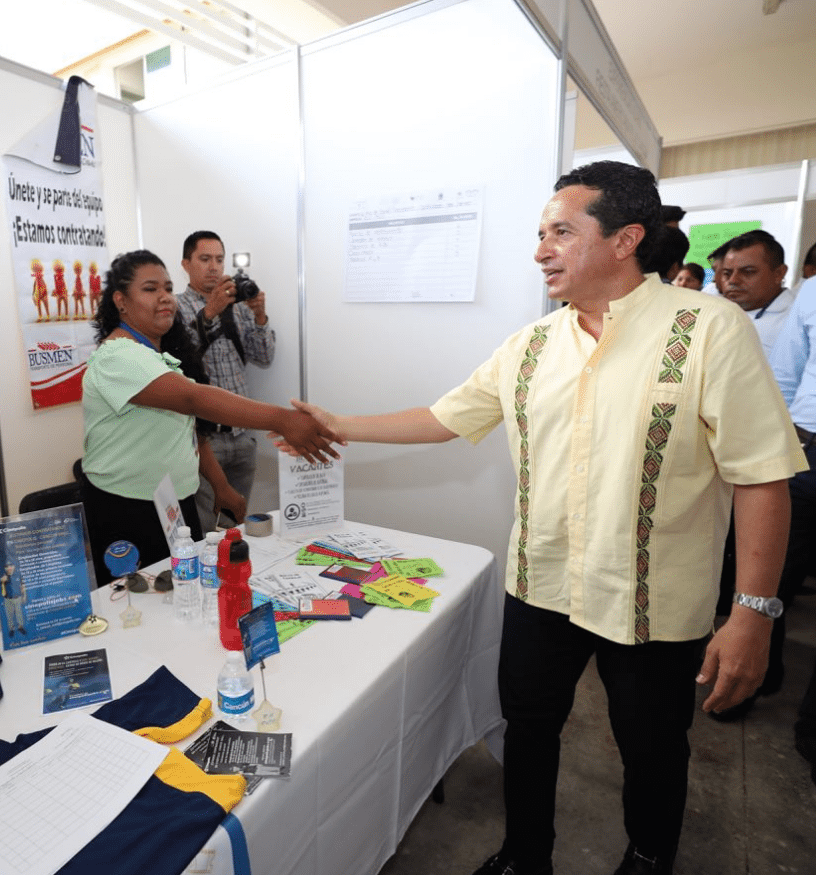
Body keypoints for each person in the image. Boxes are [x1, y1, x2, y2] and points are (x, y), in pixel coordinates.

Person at [279, 162, 804, 875]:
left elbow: (760, 475)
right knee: (528, 729)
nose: (540, 251)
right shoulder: (532, 345)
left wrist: (752, 613)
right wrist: (338, 423)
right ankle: (525, 855)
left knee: (652, 746)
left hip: (653, 598)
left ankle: (648, 857)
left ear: (625, 240)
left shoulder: (710, 329)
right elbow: (443, 417)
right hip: (541, 585)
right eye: (540, 234)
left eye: (560, 232)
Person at [82, 249, 337, 585]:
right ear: (121, 301)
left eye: (168, 288)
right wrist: (283, 419)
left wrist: (220, 485)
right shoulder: (117, 356)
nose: (165, 297)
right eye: (150, 289)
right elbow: (193, 398)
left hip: (173, 502)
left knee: (183, 591)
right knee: (137, 603)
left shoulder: (154, 355)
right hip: (129, 507)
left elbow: (185, 429)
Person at [177, 231, 275, 533]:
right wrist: (209, 312)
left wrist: (259, 317)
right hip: (203, 441)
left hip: (242, 436)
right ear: (186, 264)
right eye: (205, 259)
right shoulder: (175, 308)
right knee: (205, 526)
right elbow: (180, 360)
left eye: (219, 260)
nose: (214, 267)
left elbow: (264, 356)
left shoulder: (239, 306)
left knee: (237, 524)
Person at [767, 266, 816, 770]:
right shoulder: (814, 294)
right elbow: (785, 375)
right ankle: (760, 673)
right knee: (779, 576)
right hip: (808, 451)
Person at [716, 229, 795, 356]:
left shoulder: (799, 321)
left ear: (779, 273)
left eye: (748, 272)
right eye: (727, 273)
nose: (733, 280)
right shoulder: (713, 311)